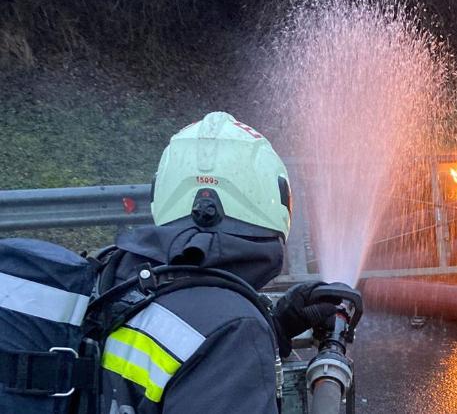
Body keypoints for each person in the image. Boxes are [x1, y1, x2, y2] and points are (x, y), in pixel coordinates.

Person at [99, 111, 336, 414]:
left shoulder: (119, 278)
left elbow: (181, 352)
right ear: (275, 197)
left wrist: (278, 324)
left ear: (163, 190)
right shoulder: (234, 333)